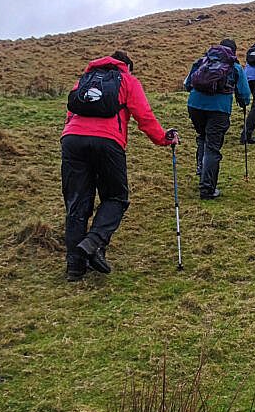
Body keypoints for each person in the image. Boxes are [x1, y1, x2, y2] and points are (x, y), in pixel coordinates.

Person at [61, 50, 180, 282]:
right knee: (116, 197)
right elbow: (143, 115)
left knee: (77, 202)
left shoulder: (84, 80)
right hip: (108, 142)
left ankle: (74, 267)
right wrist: (163, 139)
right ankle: (93, 243)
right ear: (127, 67)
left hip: (72, 140)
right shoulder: (127, 80)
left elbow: (70, 112)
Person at [185, 39, 251, 200]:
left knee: (202, 137)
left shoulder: (202, 61)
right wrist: (243, 103)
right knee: (213, 147)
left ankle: (202, 169)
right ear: (233, 52)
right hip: (219, 109)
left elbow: (188, 84)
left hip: (195, 105)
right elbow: (244, 93)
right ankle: (207, 189)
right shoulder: (234, 66)